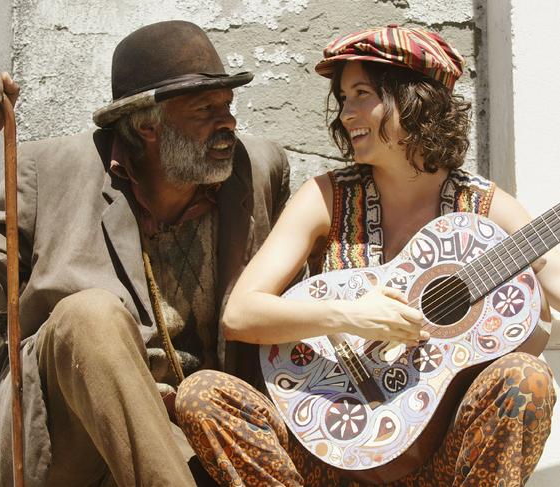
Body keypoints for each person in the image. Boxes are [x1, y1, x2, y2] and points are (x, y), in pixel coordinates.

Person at [0, 20, 290, 487]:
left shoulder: (257, 172)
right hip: (63, 442)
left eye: (228, 106)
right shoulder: (46, 174)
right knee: (89, 315)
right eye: (205, 110)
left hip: (192, 434)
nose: (227, 123)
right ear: (147, 125)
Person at [176, 25, 558, 486]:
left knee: (527, 377)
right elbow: (241, 314)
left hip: (438, 466)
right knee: (203, 394)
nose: (347, 112)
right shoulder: (326, 198)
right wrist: (351, 316)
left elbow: (550, 276)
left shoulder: (483, 205)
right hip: (323, 457)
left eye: (362, 93)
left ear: (416, 101)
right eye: (342, 97)